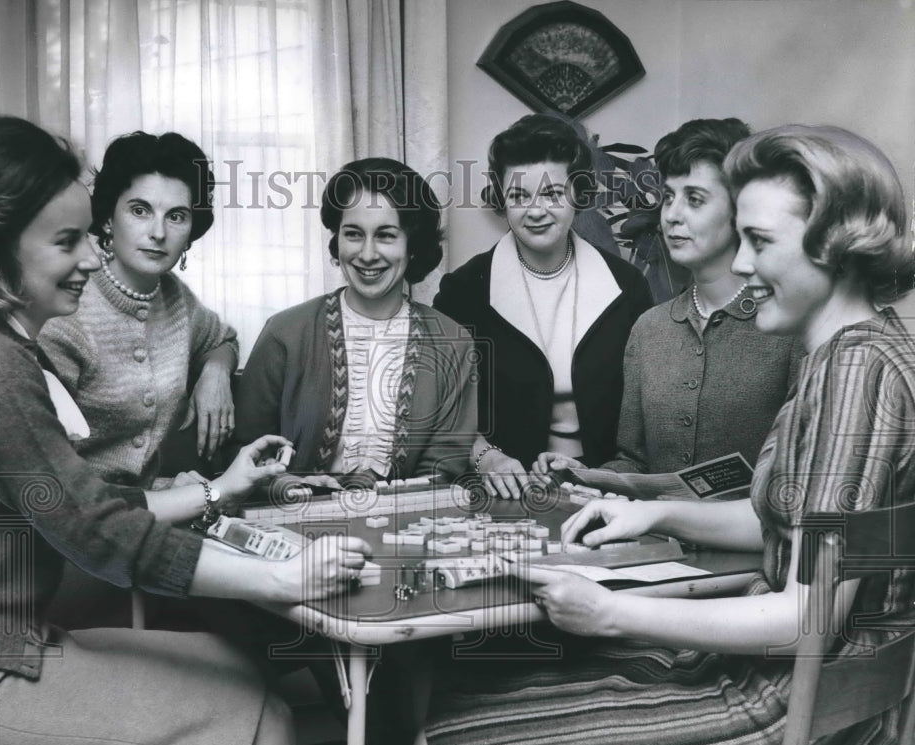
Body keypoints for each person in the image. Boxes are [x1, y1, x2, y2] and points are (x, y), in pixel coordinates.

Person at [423, 125, 915, 745]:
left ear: (837, 249)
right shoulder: (860, 351)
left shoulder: (857, 373)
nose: (741, 263)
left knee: (448, 736)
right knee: (465, 697)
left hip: (794, 705)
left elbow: (805, 615)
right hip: (783, 678)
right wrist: (652, 509)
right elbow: (794, 525)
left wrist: (611, 613)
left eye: (760, 242)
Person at [0, 116, 371, 745]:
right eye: (69, 241)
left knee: (244, 678)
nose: (94, 257)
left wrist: (216, 482)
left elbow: (78, 498)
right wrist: (282, 580)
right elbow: (95, 530)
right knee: (244, 703)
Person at [533, 119, 800, 480]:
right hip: (655, 538)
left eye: (695, 199)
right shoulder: (650, 328)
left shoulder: (788, 327)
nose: (672, 216)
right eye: (669, 197)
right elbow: (633, 461)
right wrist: (583, 475)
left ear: (741, 209)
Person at [433, 114, 652, 499]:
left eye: (552, 194)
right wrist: (487, 458)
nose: (536, 211)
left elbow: (643, 417)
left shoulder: (627, 286)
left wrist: (597, 474)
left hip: (604, 489)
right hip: (502, 490)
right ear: (501, 199)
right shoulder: (463, 290)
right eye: (519, 196)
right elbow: (442, 405)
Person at [235, 157, 477, 485]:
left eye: (386, 235)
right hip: (294, 520)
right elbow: (243, 455)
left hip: (405, 524)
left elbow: (443, 468)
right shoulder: (285, 333)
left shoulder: (453, 342)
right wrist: (287, 485)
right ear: (337, 240)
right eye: (353, 233)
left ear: (413, 246)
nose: (366, 254)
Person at [40, 131, 237, 490]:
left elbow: (222, 340)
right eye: (140, 210)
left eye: (176, 216)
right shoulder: (65, 308)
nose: (158, 232)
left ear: (191, 231)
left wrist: (216, 373)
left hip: (139, 505)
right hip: (77, 516)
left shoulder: (176, 298)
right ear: (108, 219)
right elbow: (45, 472)